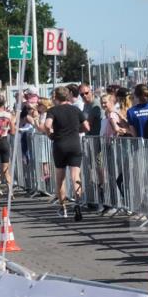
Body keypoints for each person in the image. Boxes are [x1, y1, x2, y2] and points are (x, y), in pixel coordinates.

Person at [43, 86, 88, 220]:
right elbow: (87, 126)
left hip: (60, 144)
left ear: (56, 97)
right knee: (75, 176)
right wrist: (75, 130)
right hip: (74, 144)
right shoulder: (75, 109)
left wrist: (50, 134)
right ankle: (78, 203)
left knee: (60, 178)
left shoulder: (53, 110)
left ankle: (63, 208)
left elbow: (47, 125)